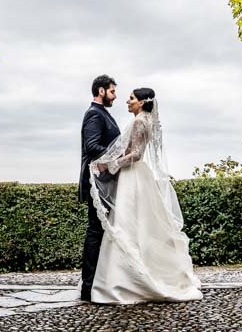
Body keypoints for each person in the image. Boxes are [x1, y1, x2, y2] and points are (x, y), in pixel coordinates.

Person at [87, 87, 203, 304]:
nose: (127, 101)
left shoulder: (140, 121)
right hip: (140, 175)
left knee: (127, 223)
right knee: (141, 226)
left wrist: (110, 165)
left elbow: (137, 154)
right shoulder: (147, 119)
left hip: (133, 176)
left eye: (131, 98)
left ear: (141, 102)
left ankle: (124, 282)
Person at [79, 74, 120, 302]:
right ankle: (88, 287)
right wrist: (121, 153)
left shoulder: (104, 114)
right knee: (95, 232)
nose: (115, 95)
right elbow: (92, 147)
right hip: (97, 184)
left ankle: (98, 282)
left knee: (101, 232)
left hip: (105, 182)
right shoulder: (94, 114)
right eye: (112, 91)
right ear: (101, 91)